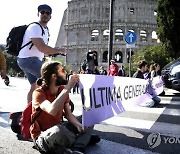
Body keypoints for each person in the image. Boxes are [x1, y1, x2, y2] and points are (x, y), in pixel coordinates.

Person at [31, 61, 100, 154]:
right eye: (62, 71)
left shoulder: (61, 91)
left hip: (61, 128)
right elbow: (52, 110)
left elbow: (68, 114)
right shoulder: (39, 93)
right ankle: (82, 139)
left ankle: (78, 147)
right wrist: (68, 87)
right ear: (54, 76)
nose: (66, 73)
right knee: (58, 131)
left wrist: (78, 125)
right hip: (44, 135)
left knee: (91, 116)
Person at [17, 4, 66, 103]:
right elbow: (43, 48)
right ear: (38, 14)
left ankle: (30, 111)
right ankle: (57, 108)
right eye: (42, 12)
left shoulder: (45, 30)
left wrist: (52, 53)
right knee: (53, 79)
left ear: (50, 16)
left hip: (29, 60)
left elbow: (44, 51)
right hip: (28, 60)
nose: (45, 15)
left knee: (34, 86)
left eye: (47, 13)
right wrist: (59, 51)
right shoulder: (35, 27)